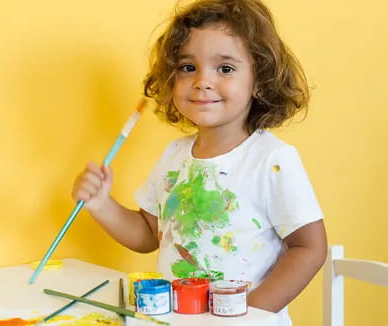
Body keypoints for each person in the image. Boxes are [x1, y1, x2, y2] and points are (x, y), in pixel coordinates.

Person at [72, 0, 327, 324]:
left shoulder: (271, 160)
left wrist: (246, 313)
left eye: (225, 68)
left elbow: (309, 248)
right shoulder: (174, 157)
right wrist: (101, 204)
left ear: (259, 79)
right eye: (188, 67)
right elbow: (149, 233)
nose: (202, 81)